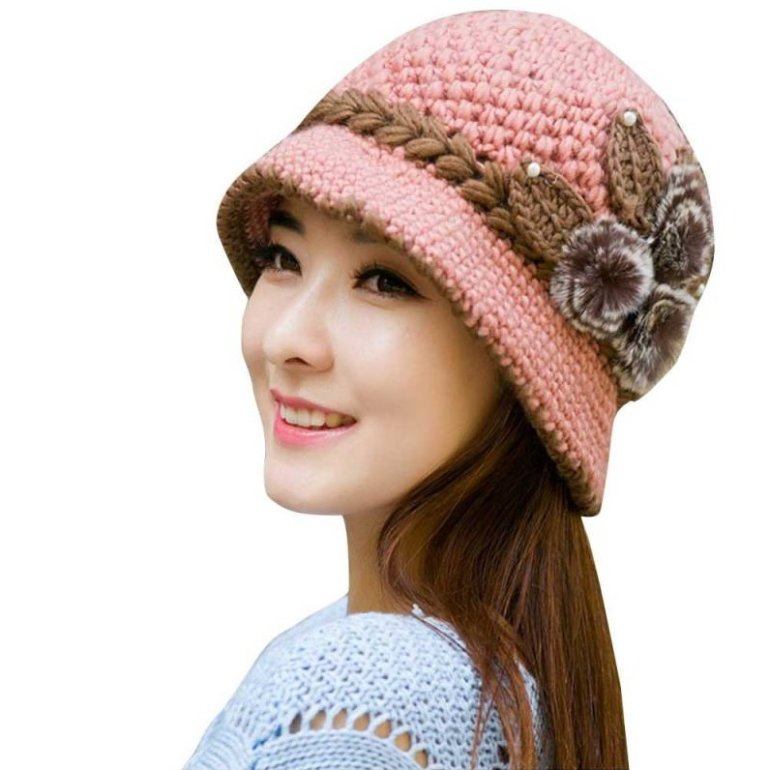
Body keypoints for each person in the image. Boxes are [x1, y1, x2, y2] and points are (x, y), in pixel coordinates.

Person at [183, 9, 714, 770]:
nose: (286, 339)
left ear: (522, 365)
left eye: (385, 280)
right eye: (283, 258)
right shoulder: (510, 686)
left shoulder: (360, 697)